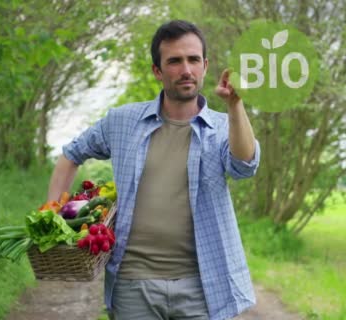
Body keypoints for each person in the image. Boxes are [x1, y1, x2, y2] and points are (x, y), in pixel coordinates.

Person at [46, 20, 260, 320]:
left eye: (193, 59)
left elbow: (244, 166)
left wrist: (236, 105)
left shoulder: (225, 127)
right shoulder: (122, 121)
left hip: (202, 286)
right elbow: (70, 155)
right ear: (157, 71)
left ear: (205, 65)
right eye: (174, 61)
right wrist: (53, 215)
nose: (186, 69)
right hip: (133, 284)